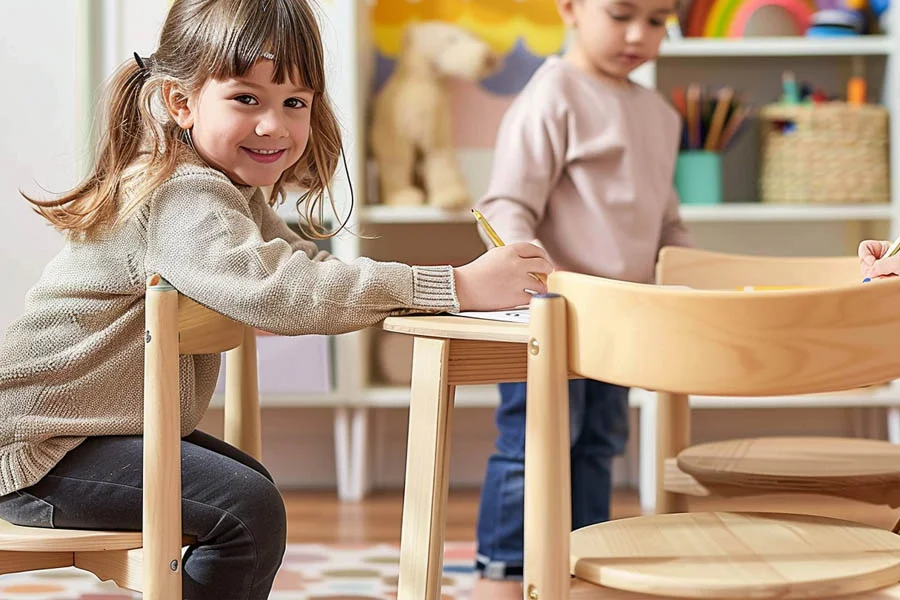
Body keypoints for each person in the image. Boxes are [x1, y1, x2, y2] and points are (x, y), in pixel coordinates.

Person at [0, 1, 552, 598]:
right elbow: (282, 292)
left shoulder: (226, 192)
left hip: (87, 433)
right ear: (180, 103)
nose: (275, 125)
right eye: (247, 99)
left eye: (295, 103)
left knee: (249, 491)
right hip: (39, 451)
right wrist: (456, 285)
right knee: (246, 511)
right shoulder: (182, 194)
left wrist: (446, 290)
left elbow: (302, 269)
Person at [471, 0, 694, 596]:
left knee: (600, 443)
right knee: (532, 445)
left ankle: (583, 559)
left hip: (620, 318)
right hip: (551, 313)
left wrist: (687, 276)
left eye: (657, 20)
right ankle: (502, 571)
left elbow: (666, 221)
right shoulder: (554, 94)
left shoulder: (658, 113)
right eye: (621, 14)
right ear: (569, 8)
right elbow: (508, 204)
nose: (638, 34)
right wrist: (527, 272)